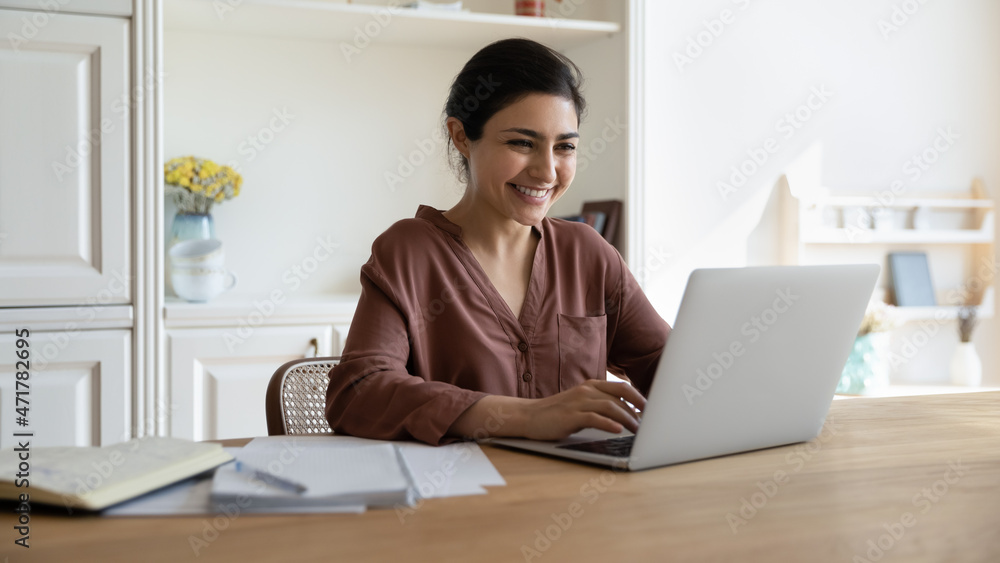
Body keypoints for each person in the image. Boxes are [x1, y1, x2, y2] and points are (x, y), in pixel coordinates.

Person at [325, 38, 670, 446]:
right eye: (522, 143)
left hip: (583, 497)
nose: (546, 172)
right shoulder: (409, 252)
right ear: (461, 136)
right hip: (464, 500)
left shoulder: (588, 253)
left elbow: (673, 368)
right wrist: (525, 416)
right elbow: (358, 393)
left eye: (565, 147)